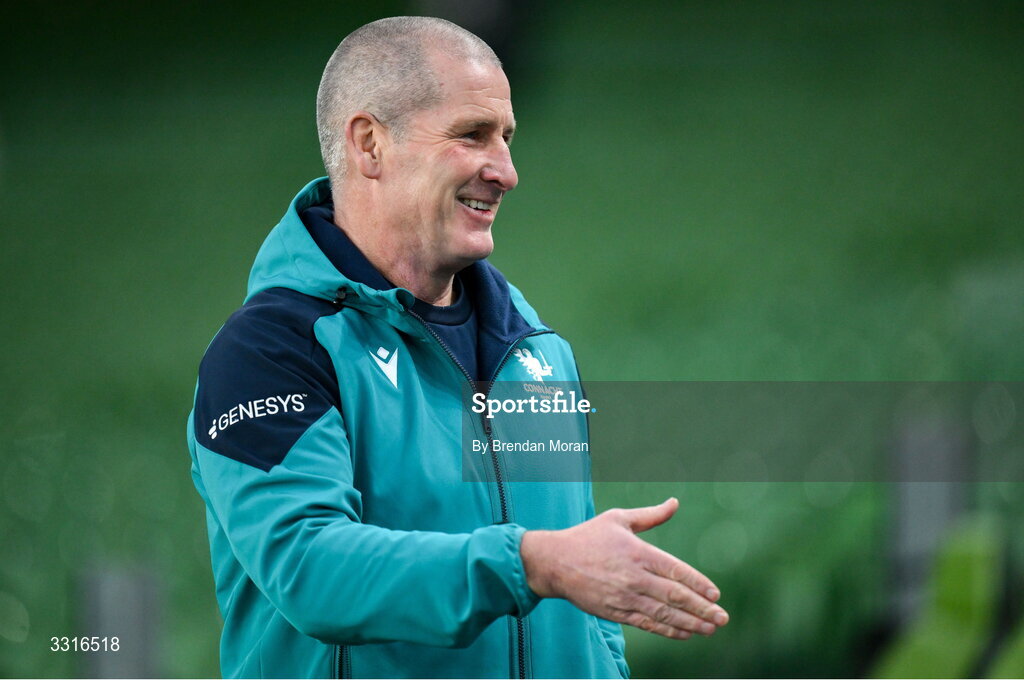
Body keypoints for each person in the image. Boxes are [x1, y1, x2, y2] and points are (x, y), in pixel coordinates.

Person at [186, 16, 727, 679]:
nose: (506, 170)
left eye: (506, 137)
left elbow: (588, 614)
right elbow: (309, 566)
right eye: (472, 134)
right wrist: (529, 563)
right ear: (369, 145)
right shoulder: (270, 350)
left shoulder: (537, 349)